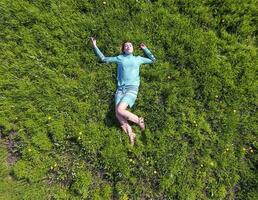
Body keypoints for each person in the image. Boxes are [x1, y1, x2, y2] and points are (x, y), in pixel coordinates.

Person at [90, 37, 156, 145]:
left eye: (130, 45)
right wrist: (95, 46)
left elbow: (153, 60)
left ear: (133, 48)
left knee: (120, 110)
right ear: (123, 49)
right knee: (117, 114)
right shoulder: (119, 58)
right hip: (120, 89)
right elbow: (103, 59)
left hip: (132, 88)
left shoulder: (138, 59)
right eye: (126, 46)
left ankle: (139, 120)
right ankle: (131, 133)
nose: (128, 46)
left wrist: (145, 49)